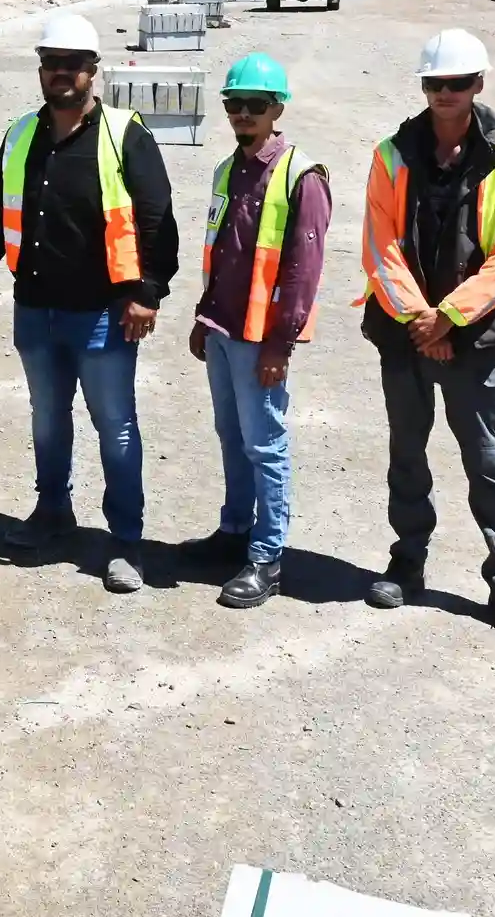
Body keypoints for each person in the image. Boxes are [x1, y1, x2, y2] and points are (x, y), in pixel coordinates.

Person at [0, 12, 180, 593]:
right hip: (35, 307)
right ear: (42, 71)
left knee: (115, 426)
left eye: (72, 65)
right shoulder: (20, 134)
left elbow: (157, 219)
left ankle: (126, 541)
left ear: (93, 71)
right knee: (46, 417)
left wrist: (146, 293)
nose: (61, 74)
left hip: (103, 312)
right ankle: (53, 510)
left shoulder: (124, 133)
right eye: (51, 64)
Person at [360, 29, 495, 648]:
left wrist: (451, 318)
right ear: (423, 86)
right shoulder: (391, 155)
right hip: (406, 334)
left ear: (478, 86)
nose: (445, 93)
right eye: (435, 83)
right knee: (407, 456)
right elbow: (380, 244)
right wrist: (421, 319)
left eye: (457, 84)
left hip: (476, 338)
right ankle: (407, 560)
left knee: (490, 465)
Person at [182, 54, 332, 609]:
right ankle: (234, 531)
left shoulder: (301, 176)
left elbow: (301, 271)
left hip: (259, 337)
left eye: (254, 105)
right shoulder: (228, 168)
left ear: (277, 109)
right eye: (233, 104)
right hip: (222, 327)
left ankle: (266, 557)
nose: (241, 114)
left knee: (265, 445)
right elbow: (220, 251)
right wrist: (203, 315)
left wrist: (280, 343)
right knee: (232, 438)